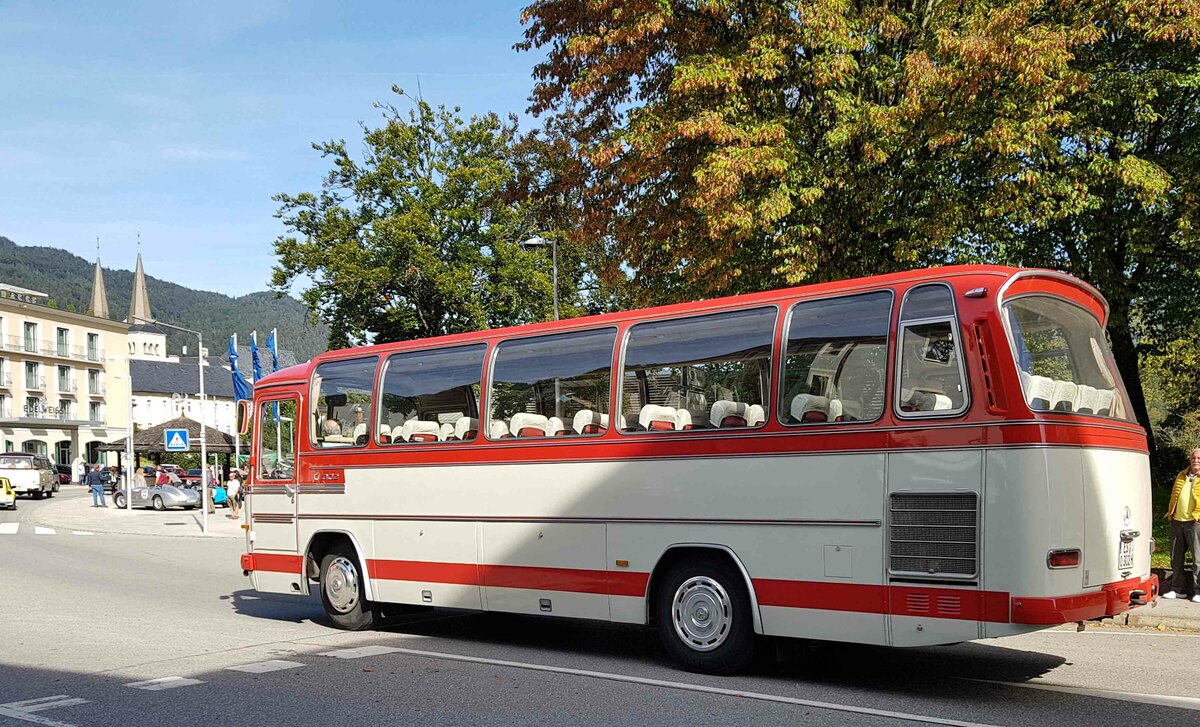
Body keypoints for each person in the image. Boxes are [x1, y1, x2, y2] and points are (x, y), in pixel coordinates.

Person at [1163, 447, 1200, 602]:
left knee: (1198, 558)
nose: (1195, 461)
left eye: (1199, 459)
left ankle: (1198, 590)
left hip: (1195, 522)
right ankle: (1178, 589)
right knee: (1175, 557)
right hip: (1178, 521)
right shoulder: (1182, 475)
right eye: (1193, 458)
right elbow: (1174, 495)